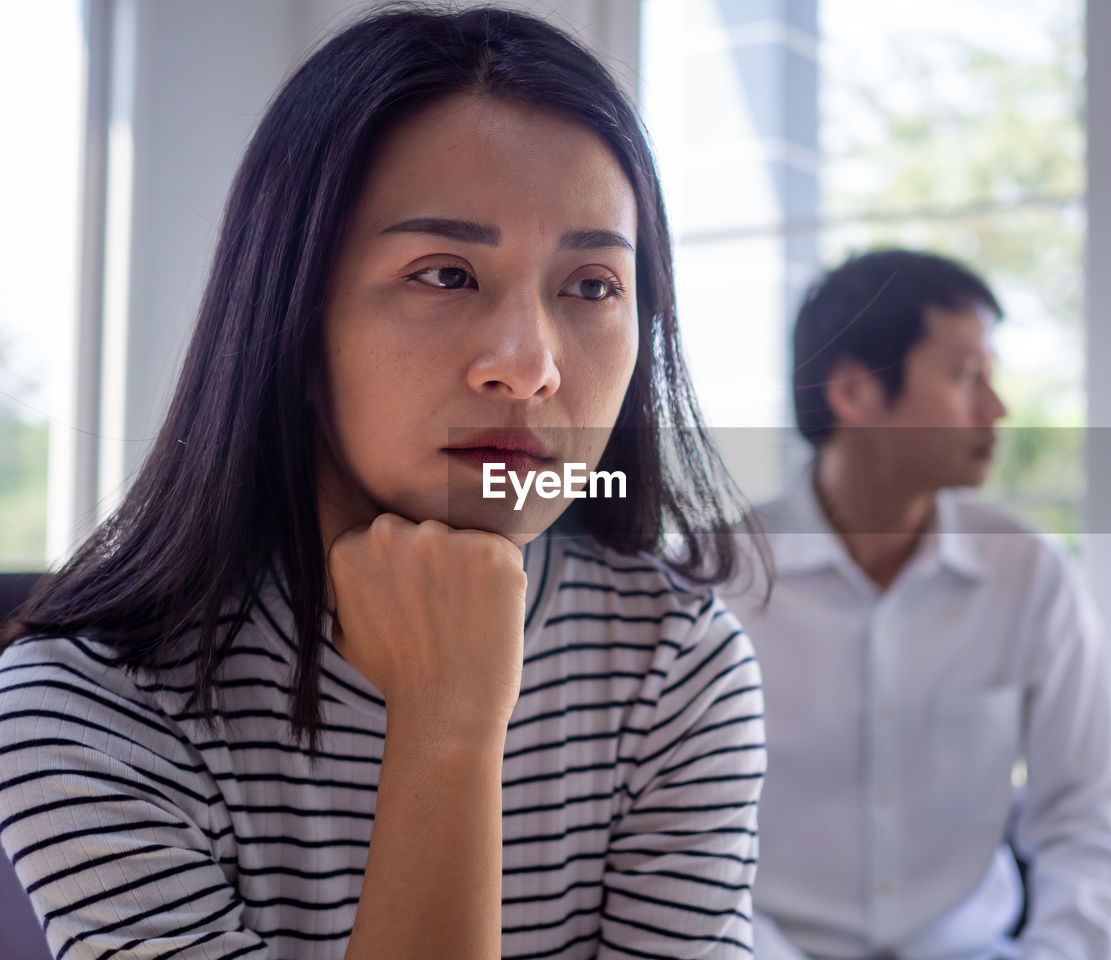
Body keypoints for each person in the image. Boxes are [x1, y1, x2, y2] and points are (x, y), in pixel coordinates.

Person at [0, 8, 765, 959]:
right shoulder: (85, 707)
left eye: (593, 286)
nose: (529, 367)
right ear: (292, 315)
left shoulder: (671, 660)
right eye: (445, 274)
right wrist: (446, 727)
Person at [729, 249, 1111, 960]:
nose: (997, 408)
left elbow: (1088, 816)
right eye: (966, 375)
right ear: (855, 391)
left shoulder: (1030, 575)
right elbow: (680, 841)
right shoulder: (717, 578)